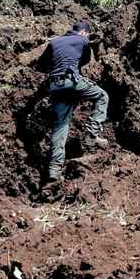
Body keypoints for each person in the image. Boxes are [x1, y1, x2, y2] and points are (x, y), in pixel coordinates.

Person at [35, 19, 109, 185]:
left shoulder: (54, 42)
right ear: (85, 32)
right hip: (72, 81)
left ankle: (54, 170)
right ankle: (91, 136)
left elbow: (40, 66)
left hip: (54, 85)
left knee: (61, 125)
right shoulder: (83, 40)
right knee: (102, 96)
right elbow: (84, 61)